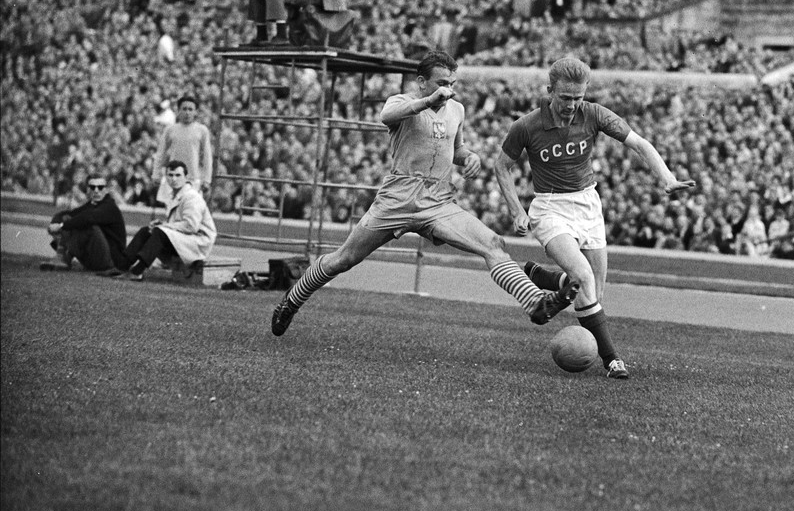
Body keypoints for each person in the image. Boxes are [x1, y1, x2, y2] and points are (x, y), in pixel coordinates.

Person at [271, 50, 579, 338]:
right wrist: (428, 101)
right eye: (441, 83)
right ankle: (293, 298)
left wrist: (468, 157)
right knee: (344, 259)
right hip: (398, 199)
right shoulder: (403, 102)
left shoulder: (456, 109)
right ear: (422, 82)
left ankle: (536, 303)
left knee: (492, 243)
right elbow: (386, 115)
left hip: (438, 201)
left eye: (451, 84)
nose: (448, 90)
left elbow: (454, 150)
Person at [494, 57, 695, 380]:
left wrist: (667, 178)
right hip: (550, 207)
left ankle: (546, 278)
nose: (572, 105)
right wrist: (517, 209)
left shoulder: (594, 114)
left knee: (594, 294)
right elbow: (502, 166)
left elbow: (639, 144)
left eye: (578, 98)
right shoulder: (527, 126)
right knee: (584, 278)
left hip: (588, 205)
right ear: (550, 92)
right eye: (565, 98)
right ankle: (612, 360)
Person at [108, 161, 216, 281]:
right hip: (185, 239)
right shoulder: (175, 195)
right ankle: (121, 266)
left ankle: (137, 271)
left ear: (186, 177)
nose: (174, 179)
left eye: (178, 175)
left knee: (160, 233)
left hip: (199, 242)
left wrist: (164, 227)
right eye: (170, 175)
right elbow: (178, 224)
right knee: (146, 231)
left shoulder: (192, 197)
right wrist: (162, 225)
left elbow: (191, 226)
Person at [43, 171, 127, 272]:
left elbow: (88, 218)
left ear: (106, 190)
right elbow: (70, 214)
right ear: (87, 189)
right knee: (69, 219)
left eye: (100, 187)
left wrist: (61, 226)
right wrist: (54, 223)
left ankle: (64, 257)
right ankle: (62, 257)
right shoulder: (92, 204)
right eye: (93, 187)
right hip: (95, 258)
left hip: (112, 262)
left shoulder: (109, 207)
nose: (96, 190)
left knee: (88, 225)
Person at [152, 94, 213, 206]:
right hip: (173, 178)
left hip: (193, 179)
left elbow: (207, 157)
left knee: (191, 212)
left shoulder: (201, 130)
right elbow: (161, 153)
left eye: (190, 109)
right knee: (172, 212)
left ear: (196, 112)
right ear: (178, 110)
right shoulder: (170, 130)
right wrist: (156, 174)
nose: (187, 112)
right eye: (184, 109)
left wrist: (207, 179)